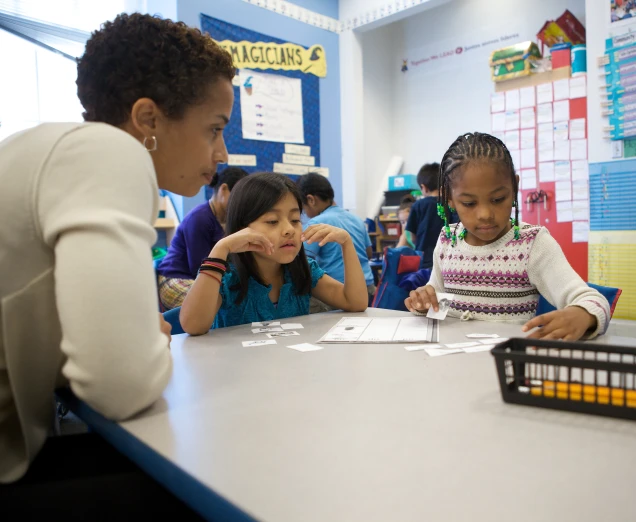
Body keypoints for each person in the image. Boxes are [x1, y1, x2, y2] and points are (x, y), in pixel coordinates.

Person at [0, 12, 235, 493]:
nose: (223, 153)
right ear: (148, 118)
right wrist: (144, 340)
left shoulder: (36, 146)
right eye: (214, 128)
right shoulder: (110, 153)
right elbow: (120, 387)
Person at [404, 132, 611, 340]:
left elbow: (593, 300)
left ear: (514, 187)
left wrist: (582, 314)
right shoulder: (447, 241)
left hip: (507, 364)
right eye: (469, 203)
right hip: (453, 361)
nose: (485, 214)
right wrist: (424, 302)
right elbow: (439, 306)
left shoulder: (532, 244)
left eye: (497, 199)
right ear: (449, 199)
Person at [179, 173, 368, 334]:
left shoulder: (303, 271)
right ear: (242, 228)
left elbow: (355, 302)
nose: (289, 230)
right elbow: (193, 326)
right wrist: (220, 249)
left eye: (295, 220)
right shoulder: (227, 276)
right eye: (272, 221)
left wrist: (346, 243)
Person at [157, 166, 248, 310]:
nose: (242, 203)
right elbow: (198, 268)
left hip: (204, 277)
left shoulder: (228, 221)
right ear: (223, 189)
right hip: (177, 278)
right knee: (212, 307)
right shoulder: (199, 218)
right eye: (239, 197)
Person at [297, 173, 375, 311]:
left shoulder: (316, 223)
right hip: (368, 286)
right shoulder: (356, 219)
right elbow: (369, 253)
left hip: (341, 290)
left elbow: (301, 261)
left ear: (310, 200)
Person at [406, 162, 453, 268]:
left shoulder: (417, 206)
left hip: (423, 260)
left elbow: (412, 237)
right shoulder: (450, 204)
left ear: (424, 187)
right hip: (446, 260)